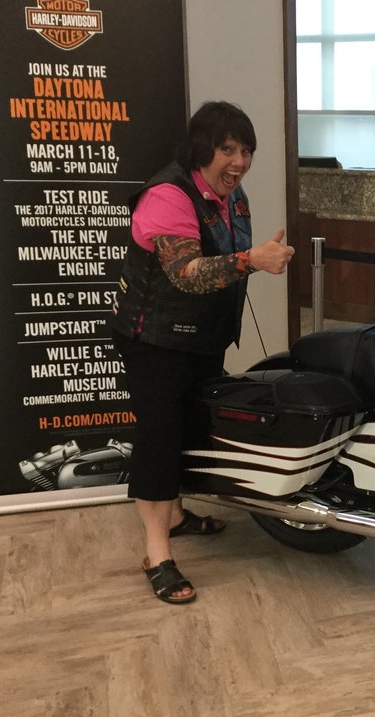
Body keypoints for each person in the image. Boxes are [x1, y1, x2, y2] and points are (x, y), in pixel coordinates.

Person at [110, 101, 295, 604]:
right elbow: (187, 273)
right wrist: (252, 260)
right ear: (201, 149)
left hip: (201, 338)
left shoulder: (233, 197)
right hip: (155, 341)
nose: (238, 161)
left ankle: (175, 513)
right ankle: (157, 553)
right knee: (161, 436)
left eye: (247, 151)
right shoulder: (168, 195)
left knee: (193, 426)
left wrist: (248, 261)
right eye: (227, 149)